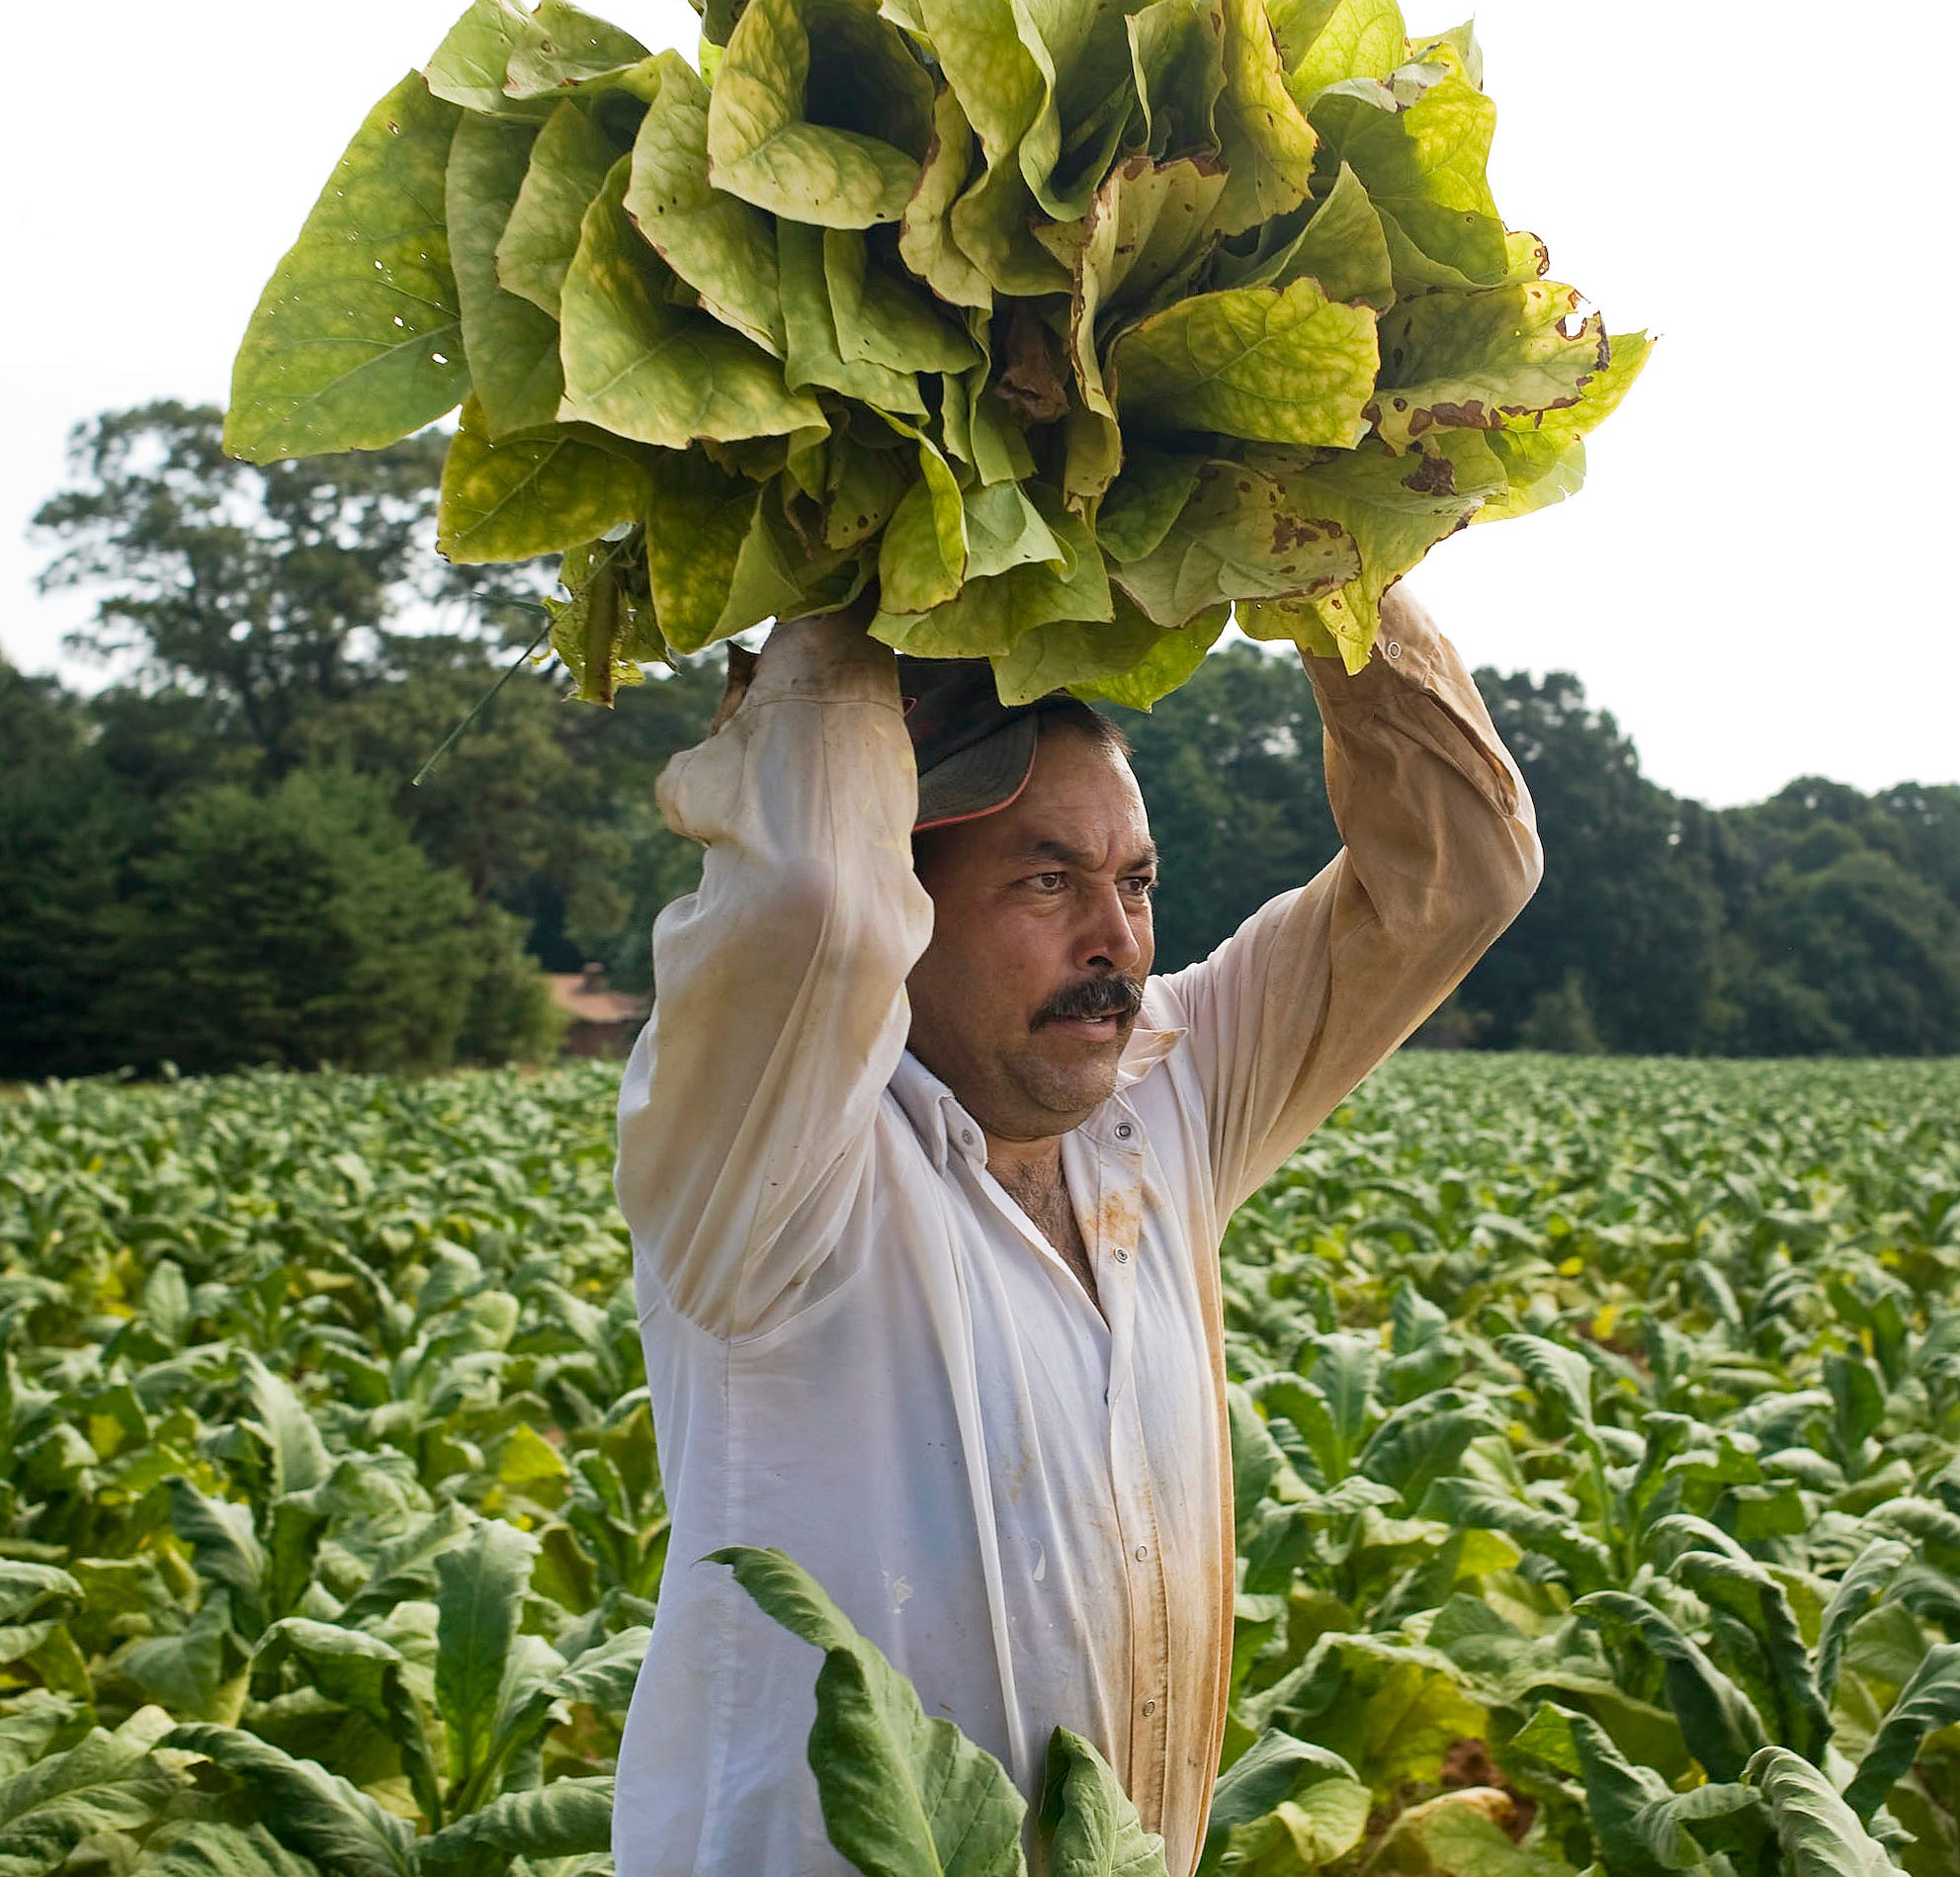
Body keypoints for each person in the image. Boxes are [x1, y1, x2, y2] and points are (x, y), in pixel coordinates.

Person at [608, 587, 1544, 1874]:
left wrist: (1329, 569)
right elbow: (812, 899)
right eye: (1046, 879)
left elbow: (1459, 871)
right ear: (903, 902)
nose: (1114, 937)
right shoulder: (767, 1163)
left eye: (1136, 881)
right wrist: (851, 550)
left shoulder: (1167, 1093)